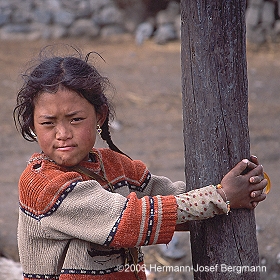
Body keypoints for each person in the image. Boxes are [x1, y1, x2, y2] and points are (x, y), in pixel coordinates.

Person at [13, 49, 267, 280]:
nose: (62, 133)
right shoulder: (42, 185)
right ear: (32, 125)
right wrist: (220, 197)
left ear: (99, 116)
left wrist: (245, 187)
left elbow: (171, 199)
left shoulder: (117, 167)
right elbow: (129, 219)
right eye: (48, 123)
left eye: (76, 119)